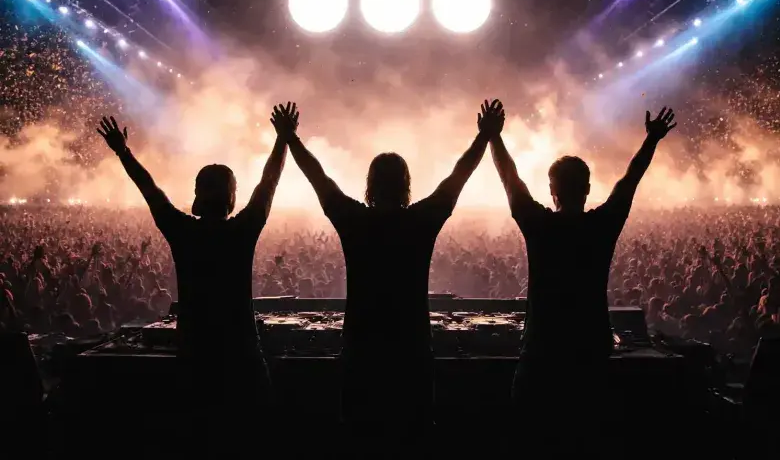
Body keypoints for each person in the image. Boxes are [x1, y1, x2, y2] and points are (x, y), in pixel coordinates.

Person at [271, 100, 505, 448]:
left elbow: (320, 179)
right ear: (406, 185)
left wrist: (290, 138)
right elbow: (457, 178)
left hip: (362, 349)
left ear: (370, 185)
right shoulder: (420, 221)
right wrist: (485, 136)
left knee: (360, 435)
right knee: (413, 435)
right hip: (411, 350)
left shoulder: (354, 220)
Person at [97, 110, 294, 449]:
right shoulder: (242, 230)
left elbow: (150, 189)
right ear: (231, 197)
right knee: (253, 439)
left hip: (195, 355)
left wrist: (123, 152)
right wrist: (282, 139)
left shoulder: (182, 231)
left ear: (198, 194)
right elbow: (268, 184)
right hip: (241, 355)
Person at [488, 107, 677, 452]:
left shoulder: (540, 226)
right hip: (589, 351)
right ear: (588, 188)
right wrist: (651, 138)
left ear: (552, 190)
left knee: (532, 438)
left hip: (542, 350)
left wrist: (494, 137)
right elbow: (629, 181)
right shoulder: (602, 226)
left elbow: (510, 181)